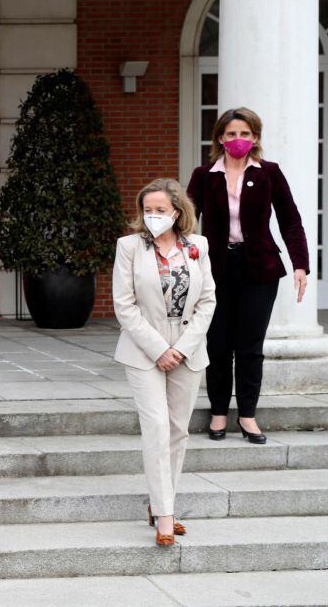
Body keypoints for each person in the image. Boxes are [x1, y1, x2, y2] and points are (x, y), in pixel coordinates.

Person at [187, 107, 309, 444]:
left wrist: (300, 264)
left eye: (244, 133)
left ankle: (249, 416)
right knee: (218, 343)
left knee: (250, 346)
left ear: (254, 137)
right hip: (217, 270)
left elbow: (290, 219)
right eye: (231, 134)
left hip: (260, 270)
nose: (238, 139)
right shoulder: (204, 174)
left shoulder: (269, 172)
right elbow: (186, 219)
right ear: (220, 139)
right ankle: (218, 414)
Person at [113, 178, 216, 547]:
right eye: (148, 209)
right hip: (144, 349)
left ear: (178, 211)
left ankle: (161, 504)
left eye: (160, 210)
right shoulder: (129, 247)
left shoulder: (198, 246)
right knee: (156, 426)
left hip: (188, 349)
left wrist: (183, 348)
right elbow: (124, 305)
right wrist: (159, 349)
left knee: (177, 430)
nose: (153, 216)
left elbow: (207, 301)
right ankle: (166, 516)